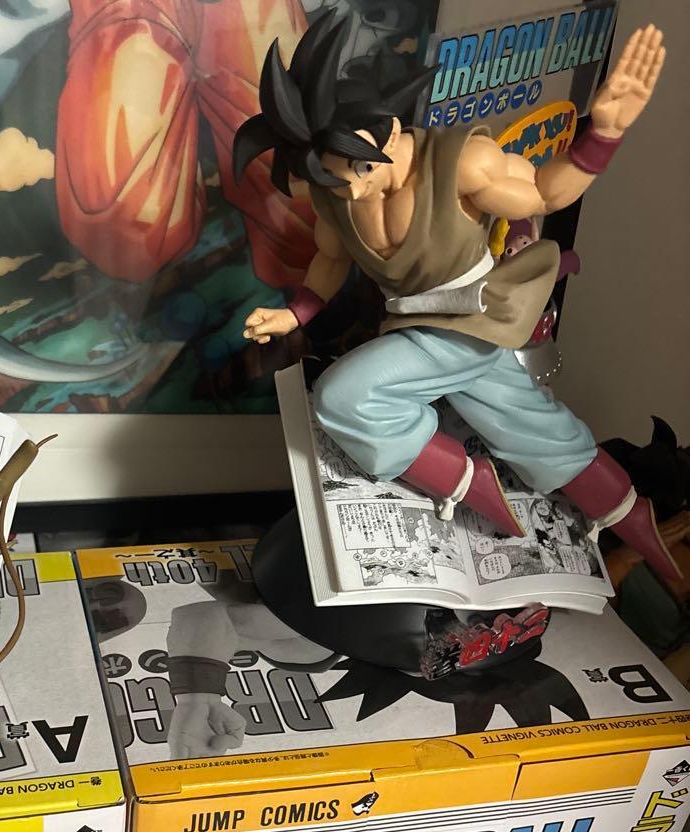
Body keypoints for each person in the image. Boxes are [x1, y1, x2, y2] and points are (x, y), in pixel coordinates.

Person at [233, 16, 678, 580]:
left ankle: (469, 482)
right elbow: (330, 259)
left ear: (389, 131)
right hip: (414, 325)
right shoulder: (332, 189)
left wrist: (604, 135)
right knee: (539, 431)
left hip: (475, 318)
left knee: (345, 397)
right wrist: (293, 314)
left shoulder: (462, 163)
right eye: (334, 177)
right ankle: (635, 519)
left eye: (360, 168)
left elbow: (542, 193)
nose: (353, 189)